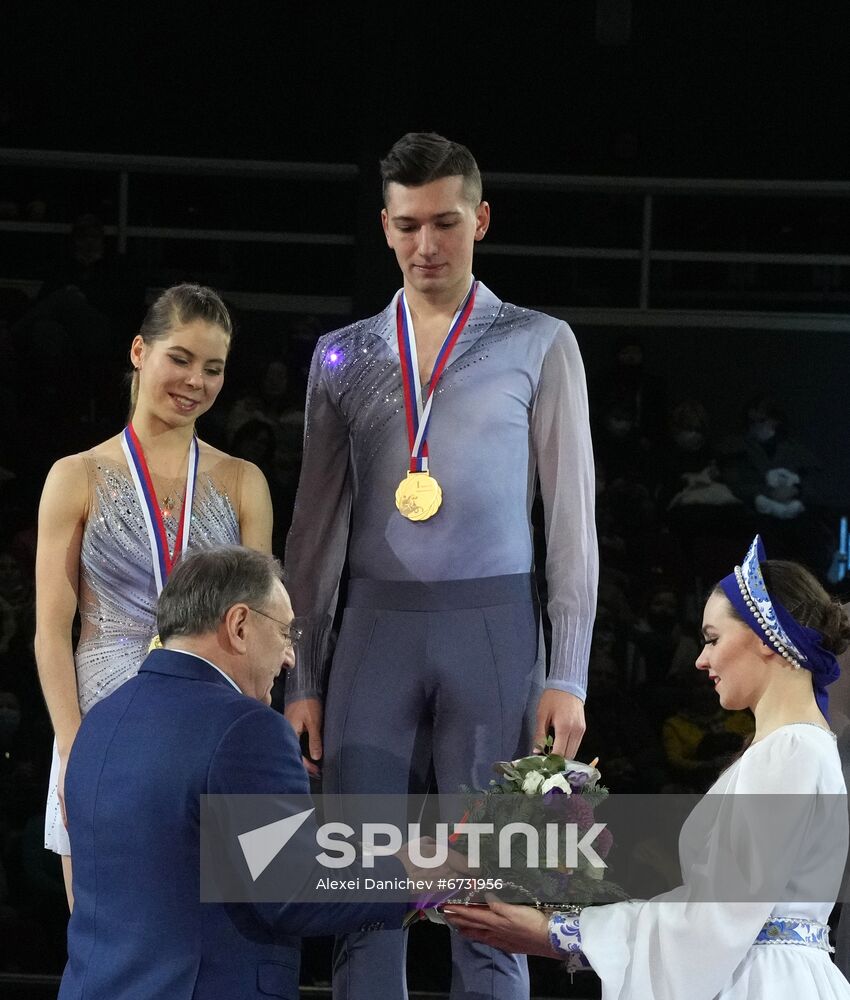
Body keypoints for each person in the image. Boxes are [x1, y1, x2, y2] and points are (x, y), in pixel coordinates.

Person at [283, 131, 597, 998]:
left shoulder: (540, 343)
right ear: (385, 227)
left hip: (496, 633)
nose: (428, 246)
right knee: (362, 897)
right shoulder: (342, 355)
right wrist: (302, 675)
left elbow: (573, 522)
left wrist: (567, 672)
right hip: (371, 634)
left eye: (447, 224)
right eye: (410, 225)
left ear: (482, 220)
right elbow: (313, 535)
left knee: (490, 901)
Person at [446, 535, 850, 999]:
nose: (701, 659)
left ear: (765, 637)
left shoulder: (792, 749)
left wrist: (560, 933)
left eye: (713, 639)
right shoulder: (795, 748)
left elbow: (719, 915)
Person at [58, 545, 436, 1000]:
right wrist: (410, 874)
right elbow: (294, 894)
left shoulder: (98, 720)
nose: (290, 658)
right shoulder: (247, 729)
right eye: (285, 632)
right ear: (239, 626)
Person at [34, 283, 273, 906]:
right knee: (103, 933)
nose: (196, 380)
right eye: (181, 358)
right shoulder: (75, 476)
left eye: (213, 367)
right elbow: (50, 631)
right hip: (99, 720)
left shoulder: (244, 482)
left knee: (204, 931)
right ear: (140, 351)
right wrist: (73, 747)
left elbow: (262, 630)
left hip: (207, 724)